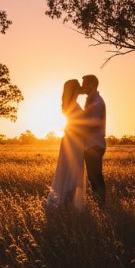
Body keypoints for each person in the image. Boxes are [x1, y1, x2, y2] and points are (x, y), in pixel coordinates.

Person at [44, 79, 88, 210]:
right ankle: (66, 204)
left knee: (68, 172)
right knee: (72, 173)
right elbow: (79, 124)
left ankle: (65, 203)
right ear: (73, 90)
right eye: (77, 89)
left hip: (71, 140)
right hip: (74, 141)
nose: (79, 91)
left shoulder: (69, 104)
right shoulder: (72, 105)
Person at [80, 74, 106, 206]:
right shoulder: (91, 99)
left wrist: (77, 130)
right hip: (91, 144)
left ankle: (101, 204)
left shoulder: (96, 101)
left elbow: (94, 124)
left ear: (92, 85)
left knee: (95, 176)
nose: (82, 86)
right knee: (93, 176)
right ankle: (100, 203)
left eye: (84, 84)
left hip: (94, 144)